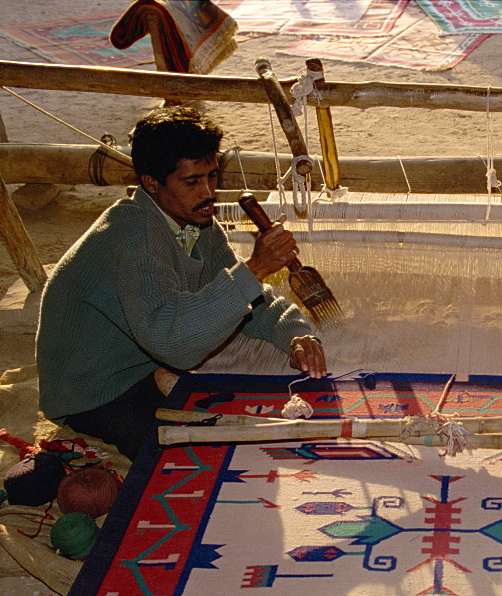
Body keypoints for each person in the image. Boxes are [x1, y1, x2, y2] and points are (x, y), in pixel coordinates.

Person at [36, 106, 327, 461]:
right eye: (192, 182)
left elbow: (251, 297)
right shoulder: (136, 237)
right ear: (151, 183)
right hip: (91, 390)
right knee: (191, 455)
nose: (208, 193)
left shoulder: (196, 225)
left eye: (212, 177)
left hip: (142, 366)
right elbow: (174, 344)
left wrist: (295, 333)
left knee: (244, 413)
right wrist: (255, 268)